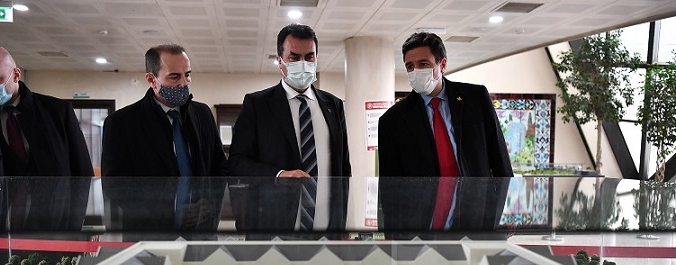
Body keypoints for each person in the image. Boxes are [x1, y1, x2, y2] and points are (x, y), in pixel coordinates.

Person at [378, 32, 513, 177]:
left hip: (474, 191)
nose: (415, 71)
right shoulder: (393, 120)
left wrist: (505, 190)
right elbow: (391, 182)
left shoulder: (476, 98)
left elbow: (499, 156)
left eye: (423, 64)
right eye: (410, 66)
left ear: (442, 65)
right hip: (424, 192)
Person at [227, 23, 351, 178]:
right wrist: (279, 175)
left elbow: (344, 166)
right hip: (276, 194)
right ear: (280, 61)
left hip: (328, 195)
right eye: (294, 57)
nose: (303, 64)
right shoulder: (257, 105)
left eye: (309, 57)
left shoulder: (334, 105)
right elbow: (237, 163)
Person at [0, 45, 94, 180]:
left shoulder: (58, 112)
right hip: (0, 195)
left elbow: (83, 170)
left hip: (55, 194)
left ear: (16, 75)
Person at [101, 43, 226, 177]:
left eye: (187, 75)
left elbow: (219, 167)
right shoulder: (121, 123)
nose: (184, 83)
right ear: (151, 80)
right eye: (174, 77)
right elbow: (115, 184)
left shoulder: (202, 113)